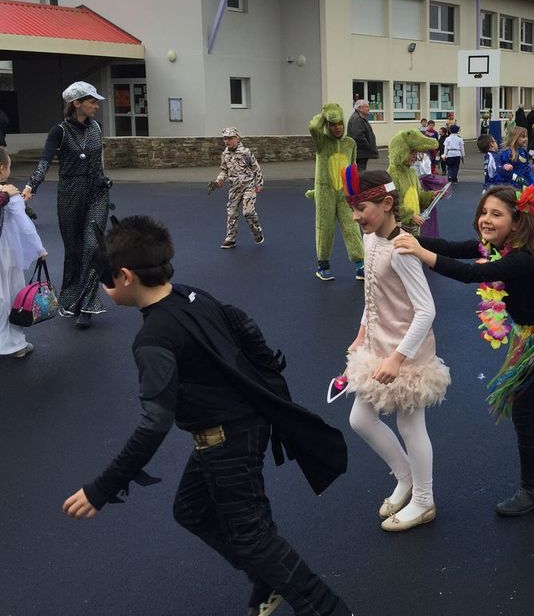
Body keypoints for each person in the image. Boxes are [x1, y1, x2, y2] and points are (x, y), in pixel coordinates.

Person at [61, 216, 352, 616]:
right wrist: (261, 381)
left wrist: (103, 488)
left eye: (106, 279)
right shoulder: (189, 294)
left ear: (126, 276)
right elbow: (244, 325)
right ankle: (269, 579)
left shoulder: (153, 339)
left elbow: (154, 423)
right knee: (191, 510)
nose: (103, 286)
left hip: (227, 438)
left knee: (253, 538)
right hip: (240, 425)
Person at [394, 186, 534, 517]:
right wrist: (406, 237)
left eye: (496, 214)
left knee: (524, 412)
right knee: (531, 408)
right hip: (529, 335)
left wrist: (421, 254)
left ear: (516, 223)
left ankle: (533, 489)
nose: (486, 219)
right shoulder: (494, 246)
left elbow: (472, 273)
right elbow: (453, 247)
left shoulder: (520, 258)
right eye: (484, 212)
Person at [333, 170, 450, 532]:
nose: (356, 217)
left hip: (407, 354)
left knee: (410, 425)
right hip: (378, 347)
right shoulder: (370, 238)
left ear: (386, 204)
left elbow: (426, 310)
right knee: (360, 420)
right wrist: (361, 333)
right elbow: (373, 295)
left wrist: (398, 358)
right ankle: (406, 476)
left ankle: (424, 500)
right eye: (353, 209)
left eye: (361, 208)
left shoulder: (402, 250)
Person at [22, 81, 111, 329]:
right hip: (70, 194)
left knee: (92, 248)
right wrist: (31, 186)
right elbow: (44, 161)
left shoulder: (96, 128)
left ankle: (88, 306)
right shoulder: (59, 131)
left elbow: (97, 162)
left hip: (97, 194)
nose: (96, 106)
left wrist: (102, 180)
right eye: (92, 101)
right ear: (77, 103)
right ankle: (72, 301)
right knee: (73, 252)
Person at [306, 103, 364, 282]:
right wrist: (325, 114)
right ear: (327, 125)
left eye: (340, 123)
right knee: (325, 228)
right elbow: (313, 127)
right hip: (326, 193)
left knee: (352, 227)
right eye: (332, 124)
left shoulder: (350, 143)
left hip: (344, 194)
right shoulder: (322, 142)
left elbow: (352, 168)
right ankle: (323, 265)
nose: (337, 128)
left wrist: (355, 195)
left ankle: (360, 265)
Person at [0, 147, 47, 358]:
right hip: (5, 251)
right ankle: (14, 344)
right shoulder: (10, 194)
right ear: (2, 168)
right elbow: (25, 225)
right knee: (10, 295)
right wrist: (39, 249)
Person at [211, 127, 265, 251]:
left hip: (248, 186)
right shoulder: (225, 154)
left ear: (237, 138)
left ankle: (257, 231)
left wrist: (259, 183)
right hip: (234, 188)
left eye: (230, 138)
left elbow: (256, 168)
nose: (227, 141)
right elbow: (224, 170)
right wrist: (219, 181)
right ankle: (230, 239)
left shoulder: (245, 152)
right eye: (225, 138)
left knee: (248, 212)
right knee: (231, 213)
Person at [347, 99, 378, 172]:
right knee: (360, 172)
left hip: (361, 152)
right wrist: (368, 146)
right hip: (361, 153)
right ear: (360, 108)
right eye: (366, 107)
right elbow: (358, 136)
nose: (368, 109)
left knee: (360, 171)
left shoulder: (360, 118)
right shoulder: (357, 119)